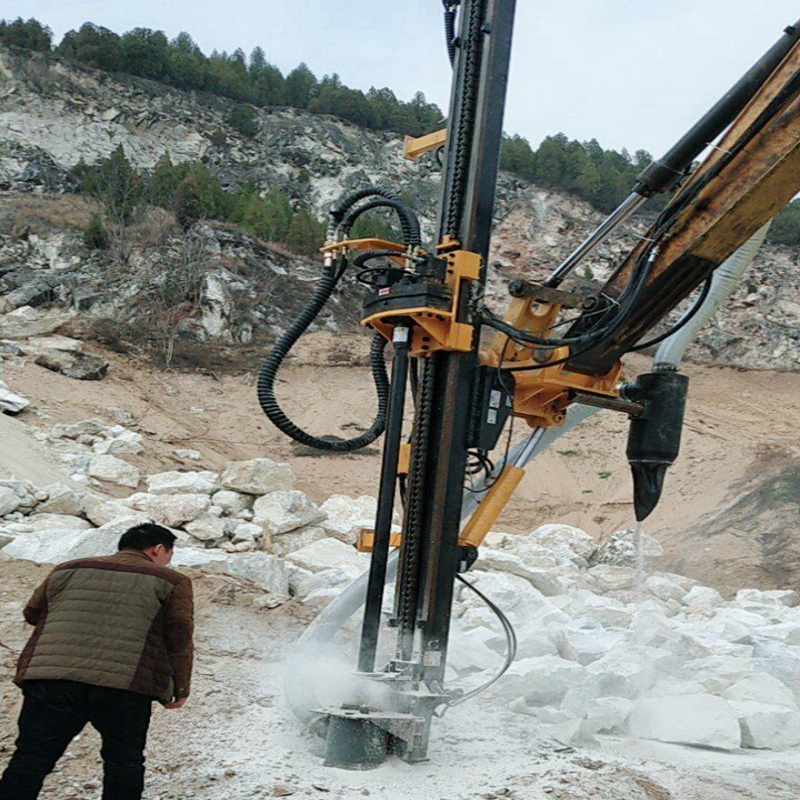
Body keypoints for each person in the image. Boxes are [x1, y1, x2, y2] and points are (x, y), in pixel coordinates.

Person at [0, 523, 194, 800]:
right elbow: (179, 637)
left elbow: (32, 613)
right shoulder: (172, 580)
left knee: (31, 758)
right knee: (124, 762)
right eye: (169, 554)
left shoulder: (67, 568)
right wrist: (181, 687)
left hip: (52, 679)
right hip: (125, 685)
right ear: (158, 549)